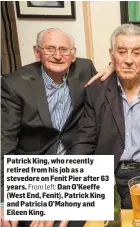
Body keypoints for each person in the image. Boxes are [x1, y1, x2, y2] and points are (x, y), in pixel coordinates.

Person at [69, 24, 140, 209]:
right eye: (122, 52)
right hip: (106, 174)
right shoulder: (96, 91)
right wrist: (71, 184)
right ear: (112, 55)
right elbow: (84, 142)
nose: (128, 60)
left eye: (136, 53)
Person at [1, 28, 96, 227]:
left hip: (73, 166)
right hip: (31, 172)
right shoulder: (14, 85)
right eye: (50, 49)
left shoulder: (85, 69)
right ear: (37, 52)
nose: (58, 56)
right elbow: (4, 144)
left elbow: (111, 79)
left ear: (73, 53)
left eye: (64, 49)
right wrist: (4, 199)